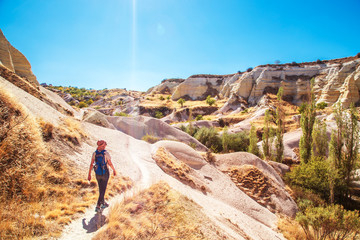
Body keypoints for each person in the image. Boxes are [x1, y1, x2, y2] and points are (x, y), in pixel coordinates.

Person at [88, 140, 117, 212]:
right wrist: (114, 170)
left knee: (101, 188)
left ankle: (103, 203)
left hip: (97, 173)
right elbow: (109, 163)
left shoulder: (94, 153)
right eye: (103, 145)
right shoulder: (105, 153)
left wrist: (89, 174)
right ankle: (98, 206)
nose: (104, 147)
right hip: (105, 173)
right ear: (99, 146)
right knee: (103, 190)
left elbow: (91, 164)